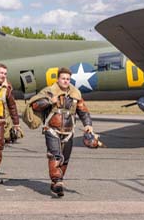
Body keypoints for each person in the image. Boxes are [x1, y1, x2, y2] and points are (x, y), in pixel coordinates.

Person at [29, 67, 93, 197]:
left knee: (65, 160)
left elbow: (83, 111)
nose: (65, 81)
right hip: (52, 130)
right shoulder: (49, 91)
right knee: (55, 156)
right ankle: (57, 181)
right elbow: (35, 105)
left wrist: (88, 125)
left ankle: (57, 183)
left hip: (69, 132)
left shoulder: (75, 94)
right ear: (58, 79)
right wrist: (48, 101)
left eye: (68, 79)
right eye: (63, 78)